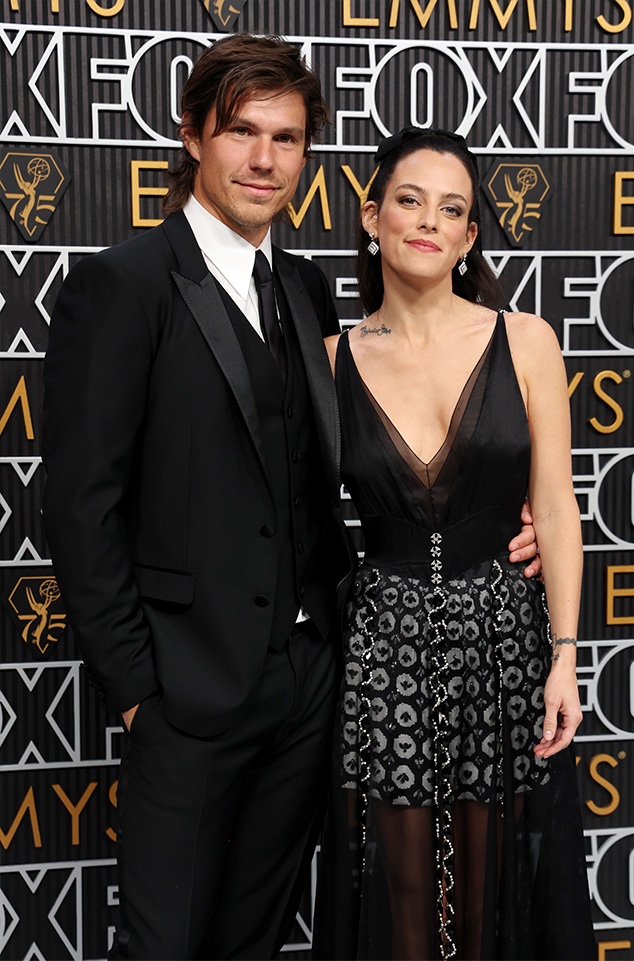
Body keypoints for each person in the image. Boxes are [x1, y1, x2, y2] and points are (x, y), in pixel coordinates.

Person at [41, 33, 540, 960]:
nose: (264, 159)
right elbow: (77, 506)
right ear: (193, 135)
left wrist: (507, 522)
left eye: (287, 138)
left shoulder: (306, 289)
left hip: (313, 685)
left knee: (257, 941)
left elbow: (359, 466)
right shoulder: (122, 283)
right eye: (242, 132)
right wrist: (139, 693)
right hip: (186, 695)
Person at [314, 128, 595, 961]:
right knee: (403, 897)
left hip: (505, 644)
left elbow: (556, 505)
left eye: (451, 209)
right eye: (410, 201)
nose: (429, 222)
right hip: (383, 650)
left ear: (470, 236)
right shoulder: (329, 360)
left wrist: (565, 656)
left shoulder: (526, 340)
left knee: (490, 887)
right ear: (373, 217)